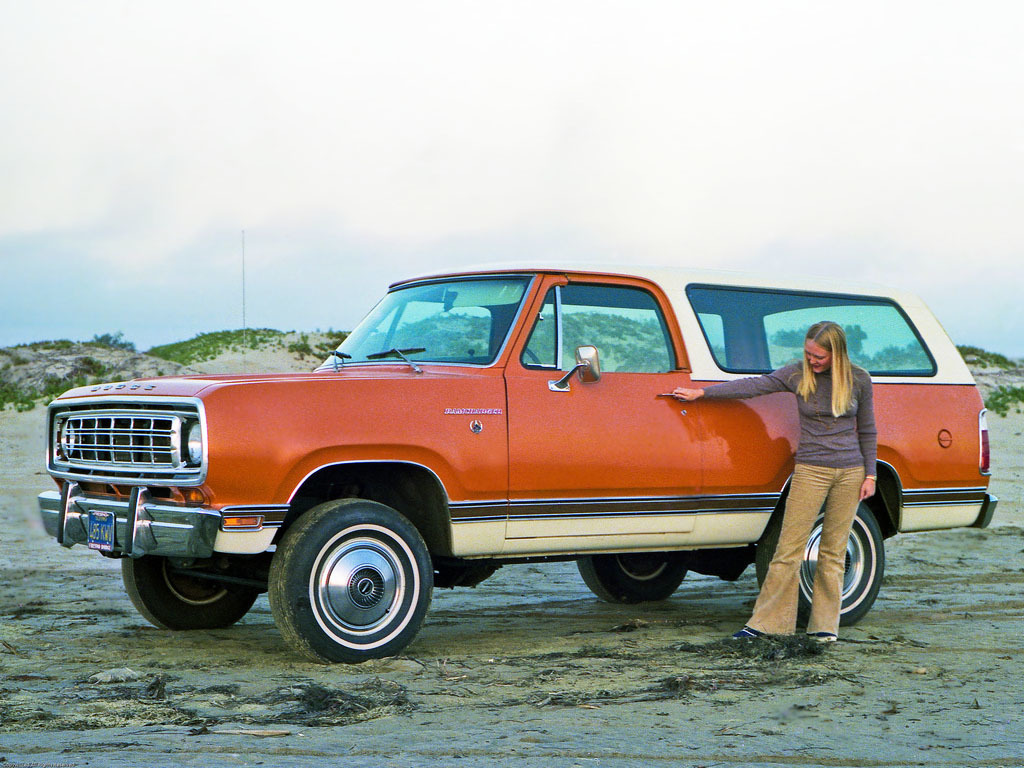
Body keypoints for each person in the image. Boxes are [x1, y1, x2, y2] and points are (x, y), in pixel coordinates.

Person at [672, 321, 877, 643]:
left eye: (819, 356)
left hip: (850, 472)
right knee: (788, 549)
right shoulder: (796, 374)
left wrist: (870, 474)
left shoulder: (859, 379)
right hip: (811, 469)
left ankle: (824, 628)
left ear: (837, 353)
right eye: (808, 353)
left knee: (834, 552)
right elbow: (755, 386)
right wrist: (703, 394)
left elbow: (867, 430)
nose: (812, 360)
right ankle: (768, 624)